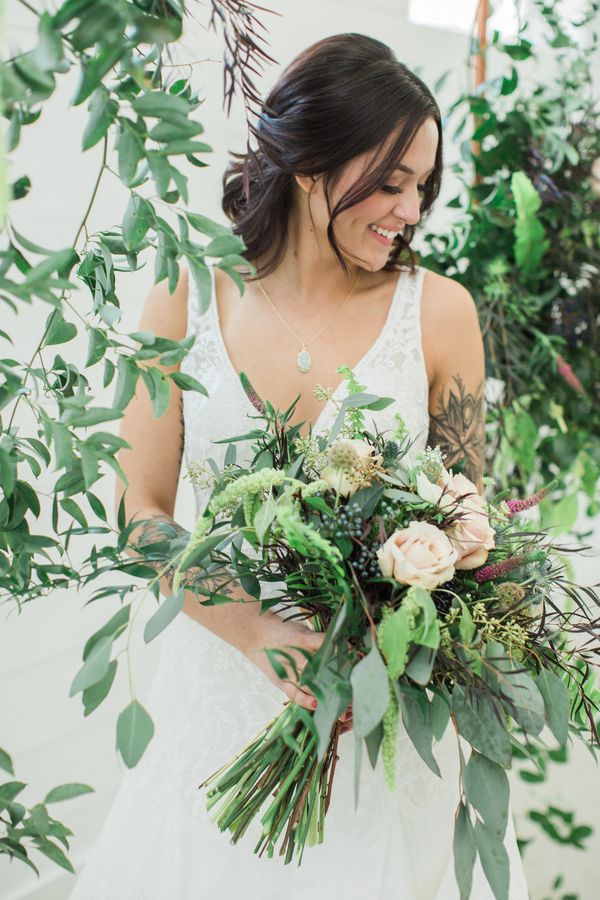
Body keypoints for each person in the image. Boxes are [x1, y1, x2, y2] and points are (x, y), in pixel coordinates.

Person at [68, 33, 529, 899]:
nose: (411, 209)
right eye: (391, 181)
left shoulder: (440, 312)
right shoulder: (189, 291)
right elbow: (138, 507)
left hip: (383, 727)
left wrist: (412, 605)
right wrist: (252, 630)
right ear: (311, 164)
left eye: (423, 186)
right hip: (219, 703)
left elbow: (472, 524)